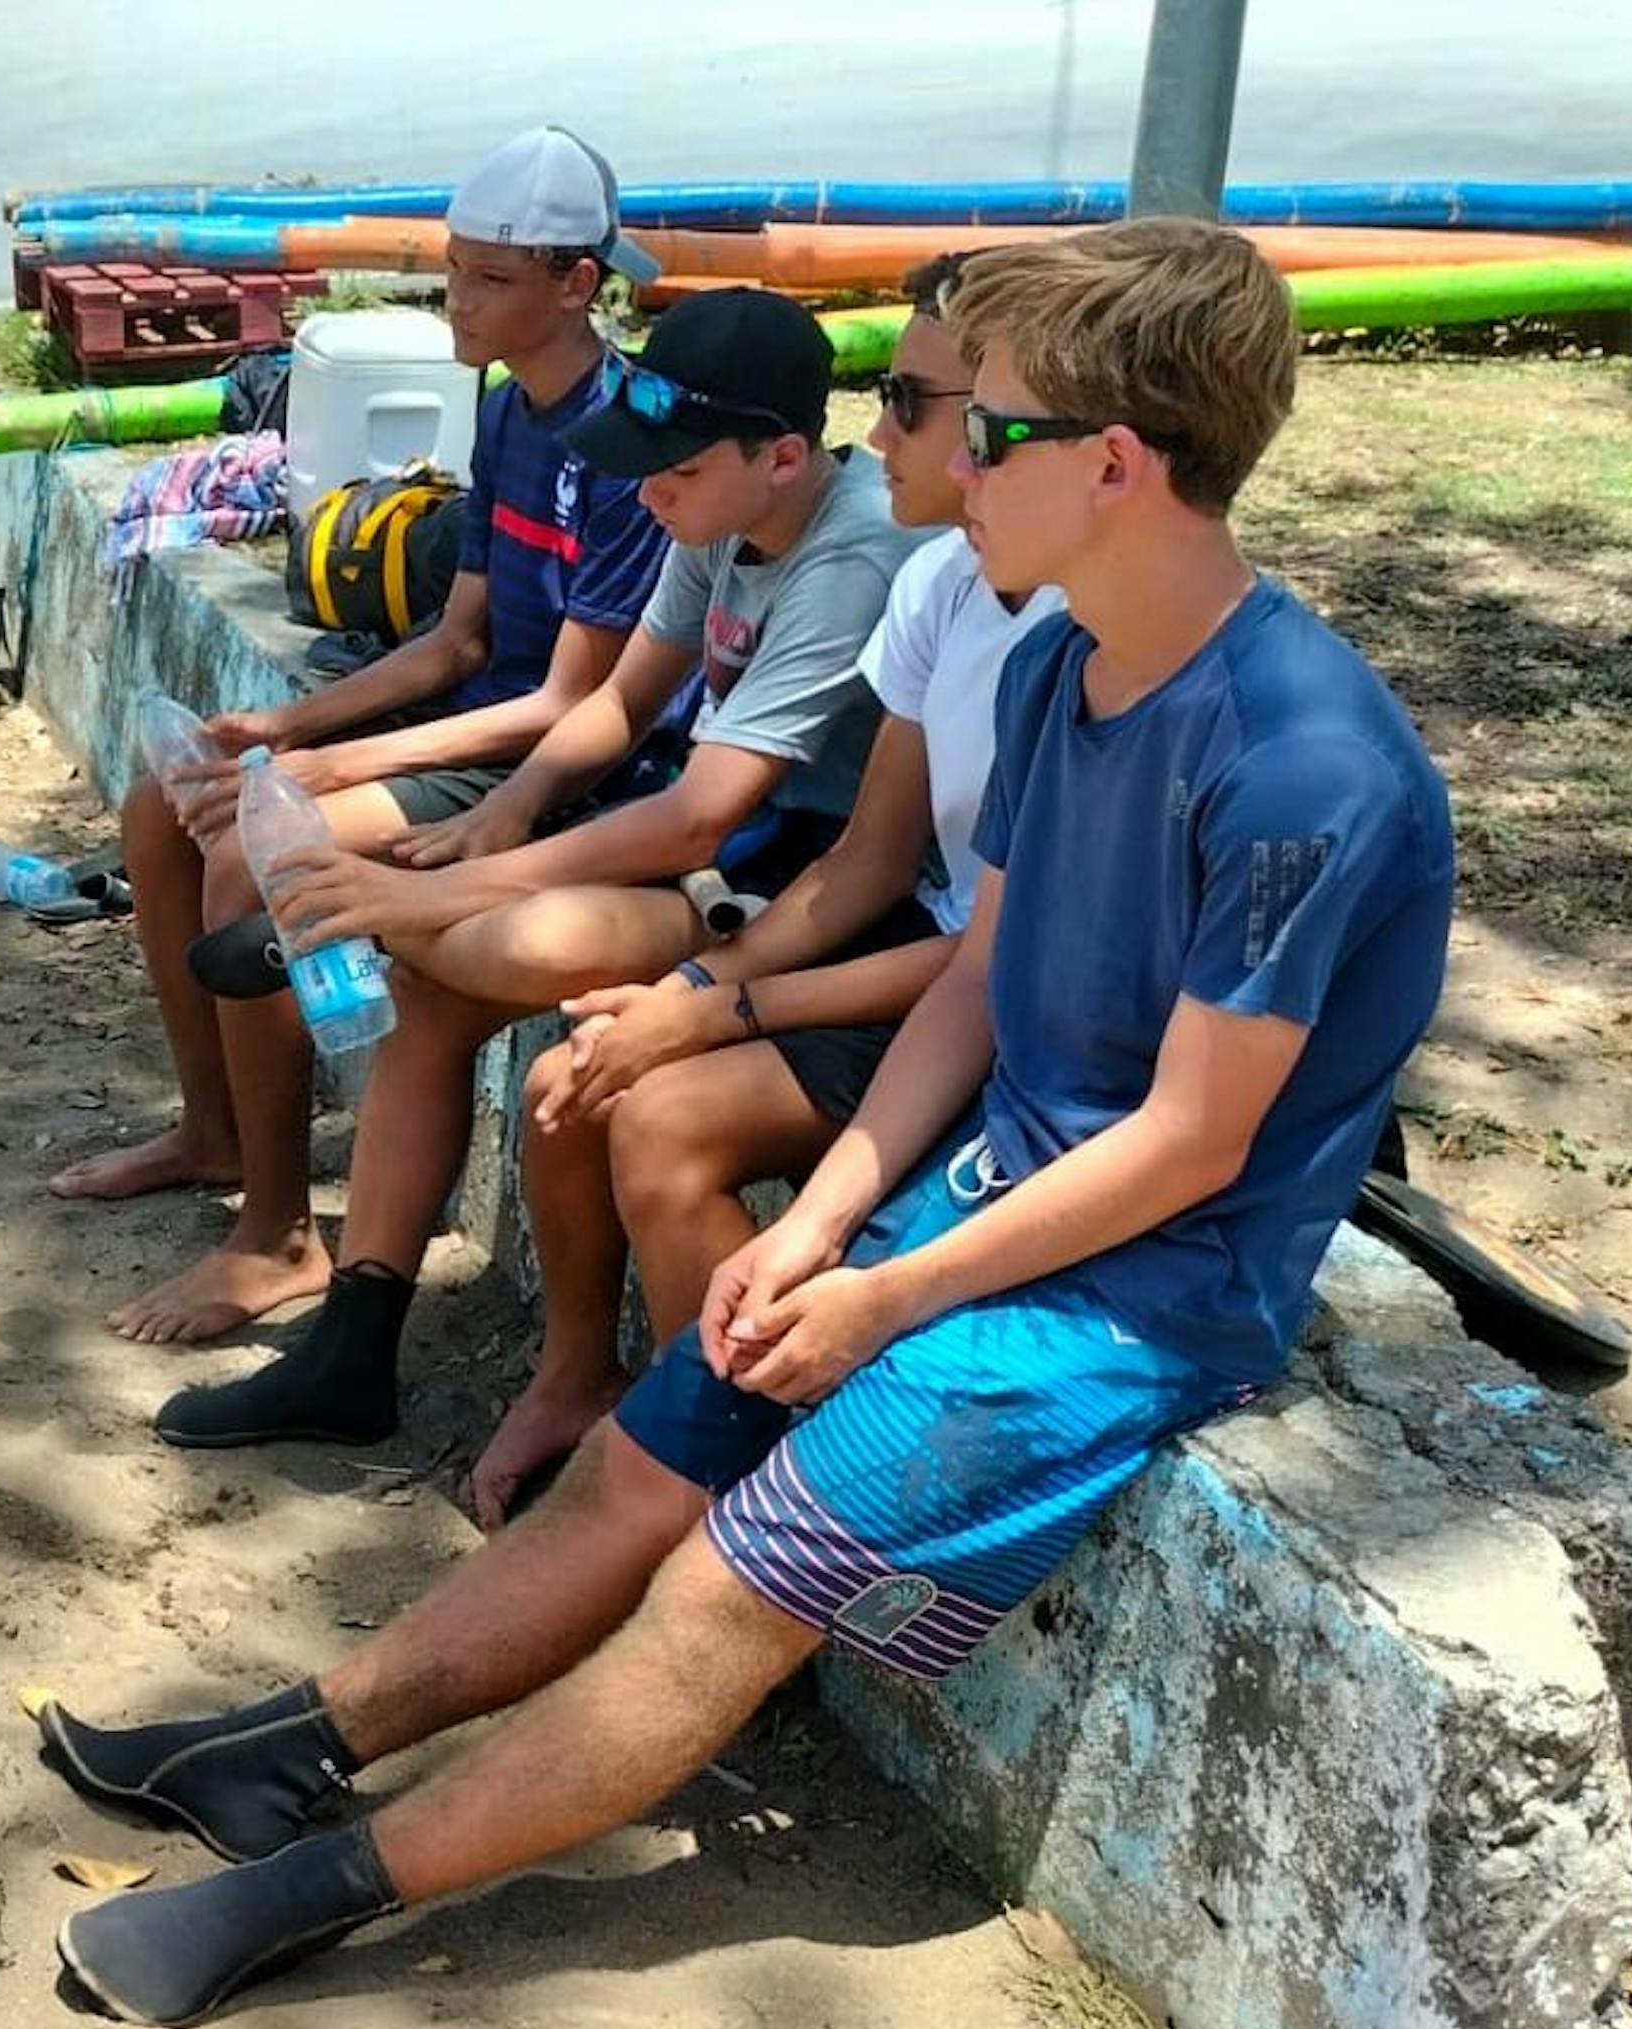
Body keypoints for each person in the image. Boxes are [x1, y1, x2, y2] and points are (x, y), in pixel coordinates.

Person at [28, 219, 1459, 2028]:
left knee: (715, 1588)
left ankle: (309, 1895)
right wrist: (819, 1225)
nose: (928, 451)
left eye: (981, 424)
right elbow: (974, 990)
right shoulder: (1048, 667)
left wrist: (880, 1296)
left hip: (1137, 1290)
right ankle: (289, 1743)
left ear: (1115, 463)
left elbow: (1186, 1148)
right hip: (978, 1192)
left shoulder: (1301, 765)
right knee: (643, 1458)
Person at [150, 286, 925, 1452]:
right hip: (732, 856)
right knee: (440, 983)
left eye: (676, 469)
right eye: (645, 466)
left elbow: (698, 820)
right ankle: (357, 1344)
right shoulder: (710, 517)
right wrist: (500, 820)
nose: (651, 489)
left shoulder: (856, 549)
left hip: (814, 890)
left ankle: (360, 935)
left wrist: (427, 890)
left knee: (497, 949)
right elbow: (617, 701)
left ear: (778, 457)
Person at [468, 251, 1064, 1524]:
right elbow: (866, 865)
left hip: (1019, 1019)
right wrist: (696, 986)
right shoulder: (939, 585)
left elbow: (997, 965)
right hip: (928, 956)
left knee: (658, 1113)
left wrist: (710, 1011)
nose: (882, 431)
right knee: (570, 1085)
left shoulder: (1074, 638)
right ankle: (586, 1388)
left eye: (912, 401)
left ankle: (716, 1499)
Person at [61, 124, 669, 1352]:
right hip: (473, 732)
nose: (460, 302)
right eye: (454, 270)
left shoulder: (624, 440)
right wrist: (275, 724)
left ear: (576, 285)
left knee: (255, 855)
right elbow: (454, 642)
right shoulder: (505, 410)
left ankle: (279, 1235)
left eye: (492, 279)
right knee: (163, 802)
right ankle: (212, 1129)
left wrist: (326, 767)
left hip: (557, 776)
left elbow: (571, 706)